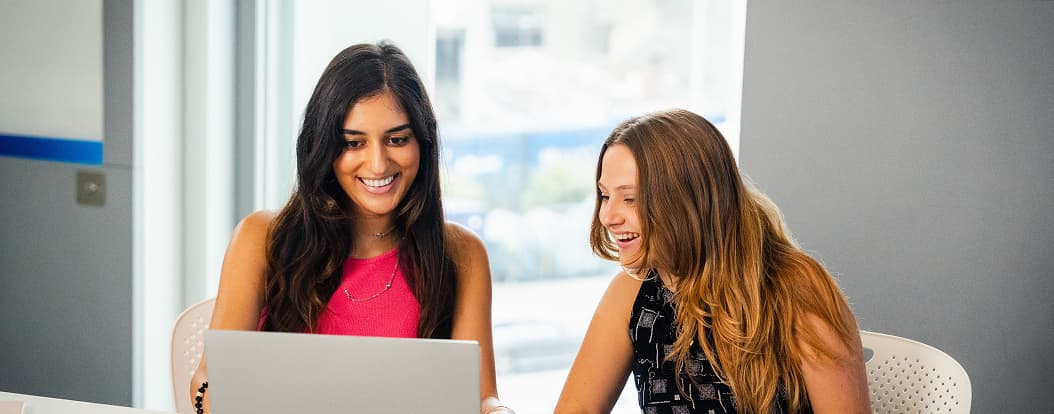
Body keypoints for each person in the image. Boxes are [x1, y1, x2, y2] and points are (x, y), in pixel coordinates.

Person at [189, 42, 513, 414]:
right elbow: (208, 377)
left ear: (421, 143)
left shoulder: (460, 252)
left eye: (397, 139)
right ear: (323, 148)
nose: (377, 164)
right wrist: (213, 400)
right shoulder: (261, 237)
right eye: (353, 143)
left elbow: (481, 397)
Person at [554, 109, 870, 414]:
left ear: (688, 202)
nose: (607, 216)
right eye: (605, 195)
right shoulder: (631, 292)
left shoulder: (798, 289)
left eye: (631, 198)